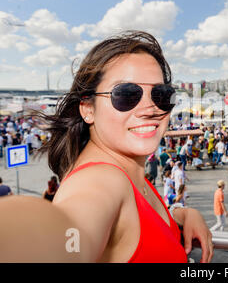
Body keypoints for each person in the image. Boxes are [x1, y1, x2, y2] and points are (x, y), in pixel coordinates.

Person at [0, 31, 213, 263]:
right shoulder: (100, 181)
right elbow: (67, 234)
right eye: (126, 95)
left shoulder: (130, 175)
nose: (150, 109)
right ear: (88, 109)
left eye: (161, 95)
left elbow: (137, 225)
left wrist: (179, 214)